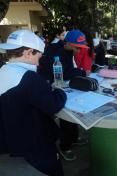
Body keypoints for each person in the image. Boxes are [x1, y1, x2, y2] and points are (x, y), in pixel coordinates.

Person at [0, 29, 66, 176]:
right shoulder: (29, 78)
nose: (38, 62)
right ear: (28, 53)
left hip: (12, 141)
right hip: (34, 143)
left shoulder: (3, 70)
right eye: (38, 57)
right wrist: (60, 91)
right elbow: (53, 105)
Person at [38, 29, 87, 162]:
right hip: (51, 85)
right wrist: (81, 72)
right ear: (69, 43)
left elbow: (69, 70)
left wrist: (78, 72)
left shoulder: (68, 50)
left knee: (74, 108)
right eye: (78, 47)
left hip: (63, 83)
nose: (79, 50)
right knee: (66, 112)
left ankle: (74, 138)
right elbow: (61, 73)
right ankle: (64, 146)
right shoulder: (54, 51)